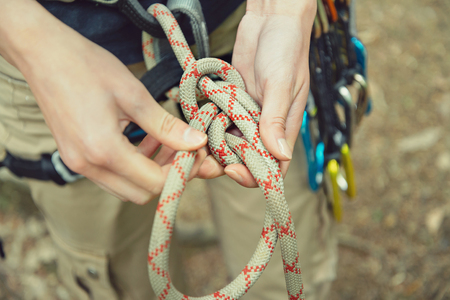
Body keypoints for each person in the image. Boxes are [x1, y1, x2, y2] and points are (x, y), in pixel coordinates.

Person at [0, 0, 337, 299]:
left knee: (284, 276)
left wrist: (284, 9)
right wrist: (31, 44)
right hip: (55, 63)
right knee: (120, 282)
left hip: (243, 31)